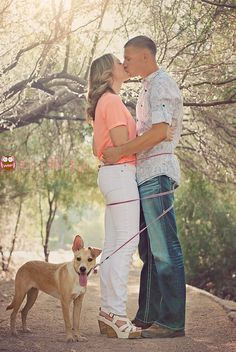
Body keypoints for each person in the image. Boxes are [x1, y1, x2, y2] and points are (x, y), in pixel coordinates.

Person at [102, 36, 186, 338]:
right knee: (149, 251)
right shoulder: (148, 87)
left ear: (146, 58)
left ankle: (173, 321)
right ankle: (147, 316)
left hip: (157, 174)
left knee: (165, 250)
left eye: (129, 58)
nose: (124, 63)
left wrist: (121, 151)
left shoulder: (162, 83)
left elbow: (161, 132)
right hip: (144, 175)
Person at [87, 53, 141, 339]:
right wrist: (156, 137)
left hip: (112, 177)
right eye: (119, 63)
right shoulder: (113, 101)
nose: (124, 64)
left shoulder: (102, 104)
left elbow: (102, 147)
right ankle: (117, 315)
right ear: (109, 73)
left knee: (113, 247)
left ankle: (108, 313)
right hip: (121, 175)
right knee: (125, 246)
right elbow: (121, 145)